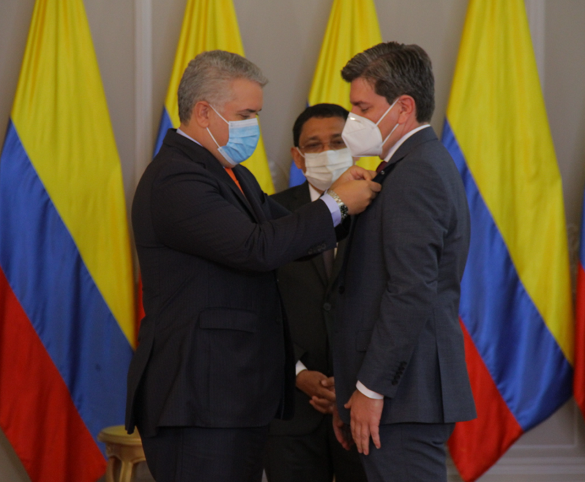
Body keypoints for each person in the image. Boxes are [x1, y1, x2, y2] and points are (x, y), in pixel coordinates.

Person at [125, 50, 380, 482]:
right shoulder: (176, 177)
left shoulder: (234, 174)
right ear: (203, 112)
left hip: (236, 394)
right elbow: (255, 247)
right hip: (200, 397)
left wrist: (339, 201)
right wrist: (337, 203)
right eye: (245, 114)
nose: (254, 127)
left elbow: (290, 237)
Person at [331, 42, 476, 482]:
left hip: (401, 393)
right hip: (394, 393)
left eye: (362, 106)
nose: (352, 120)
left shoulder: (416, 173)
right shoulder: (404, 166)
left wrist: (370, 388)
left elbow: (411, 290)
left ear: (403, 107)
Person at [263, 104, 367, 482]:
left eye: (337, 142)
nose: (327, 152)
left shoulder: (382, 206)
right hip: (292, 407)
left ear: (354, 146)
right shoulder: (270, 214)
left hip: (364, 403)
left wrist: (355, 378)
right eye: (314, 144)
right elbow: (257, 306)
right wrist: (298, 372)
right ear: (298, 156)